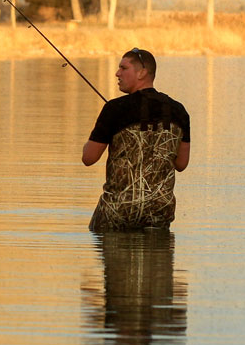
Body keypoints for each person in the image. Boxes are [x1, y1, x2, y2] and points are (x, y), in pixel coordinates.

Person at [81, 48, 190, 231]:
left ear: (142, 73)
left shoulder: (114, 109)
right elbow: (181, 164)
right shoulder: (179, 111)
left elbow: (88, 158)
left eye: (123, 68)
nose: (117, 73)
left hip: (118, 212)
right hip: (159, 213)